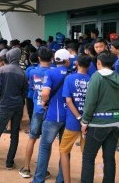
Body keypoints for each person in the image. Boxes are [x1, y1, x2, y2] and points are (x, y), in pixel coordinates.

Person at [80, 52, 119, 182]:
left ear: (99, 63)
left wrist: (85, 121)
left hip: (98, 124)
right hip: (116, 123)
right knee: (109, 158)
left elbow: (90, 102)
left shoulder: (96, 77)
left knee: (88, 157)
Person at [32, 49, 71, 183]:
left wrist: (44, 102)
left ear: (55, 59)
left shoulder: (51, 72)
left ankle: (38, 179)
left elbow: (45, 93)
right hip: (68, 117)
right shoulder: (72, 74)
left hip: (53, 116)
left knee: (44, 147)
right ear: (67, 61)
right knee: (65, 150)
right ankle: (61, 179)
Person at [19, 47, 53, 179]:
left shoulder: (33, 72)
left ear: (38, 58)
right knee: (46, 142)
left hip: (37, 110)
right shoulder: (54, 73)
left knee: (32, 138)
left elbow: (32, 91)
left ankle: (26, 168)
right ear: (51, 58)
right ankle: (42, 170)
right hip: (50, 112)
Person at [61, 55, 92, 183]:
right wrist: (84, 119)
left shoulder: (69, 78)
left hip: (72, 122)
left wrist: (78, 117)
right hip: (88, 122)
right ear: (89, 66)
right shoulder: (92, 79)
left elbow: (68, 100)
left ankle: (67, 181)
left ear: (77, 63)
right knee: (87, 154)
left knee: (64, 150)